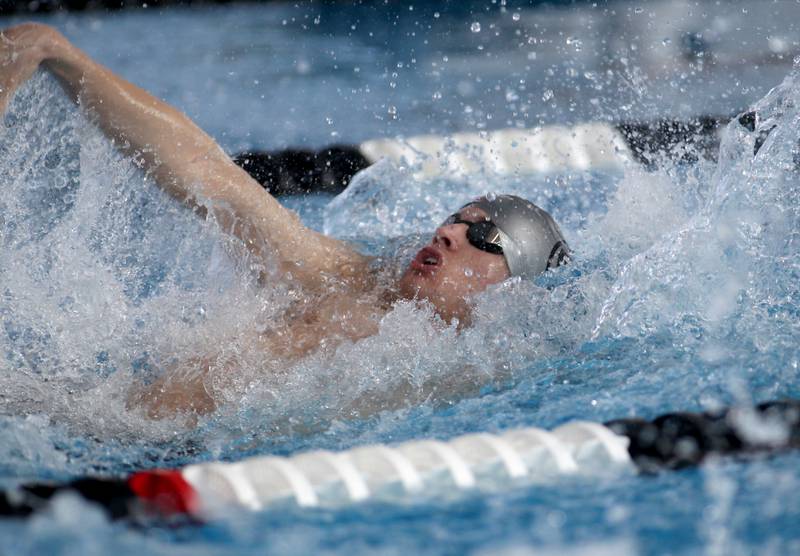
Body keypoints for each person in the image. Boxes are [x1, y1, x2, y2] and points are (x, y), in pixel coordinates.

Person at [0, 23, 569, 418]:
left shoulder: (476, 372)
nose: (447, 232)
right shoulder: (344, 275)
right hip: (93, 413)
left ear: (512, 285)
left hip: (171, 464)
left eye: (482, 235)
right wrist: (61, 56)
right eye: (453, 218)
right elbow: (212, 177)